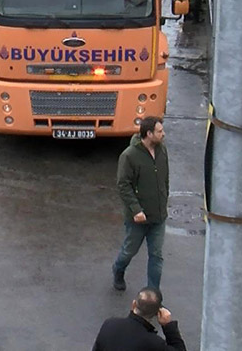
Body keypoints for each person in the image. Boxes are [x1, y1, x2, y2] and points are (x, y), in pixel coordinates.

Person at [112, 116, 170, 292]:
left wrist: (164, 199)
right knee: (129, 252)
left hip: (158, 216)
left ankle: (154, 293)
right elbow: (123, 185)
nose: (164, 134)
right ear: (149, 133)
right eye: (160, 131)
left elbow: (164, 178)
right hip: (138, 219)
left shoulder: (162, 150)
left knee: (156, 256)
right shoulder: (129, 156)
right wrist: (136, 210)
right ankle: (118, 270)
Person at [92, 286, 186, 351]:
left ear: (134, 304)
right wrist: (168, 326)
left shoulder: (109, 325)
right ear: (157, 313)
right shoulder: (154, 343)